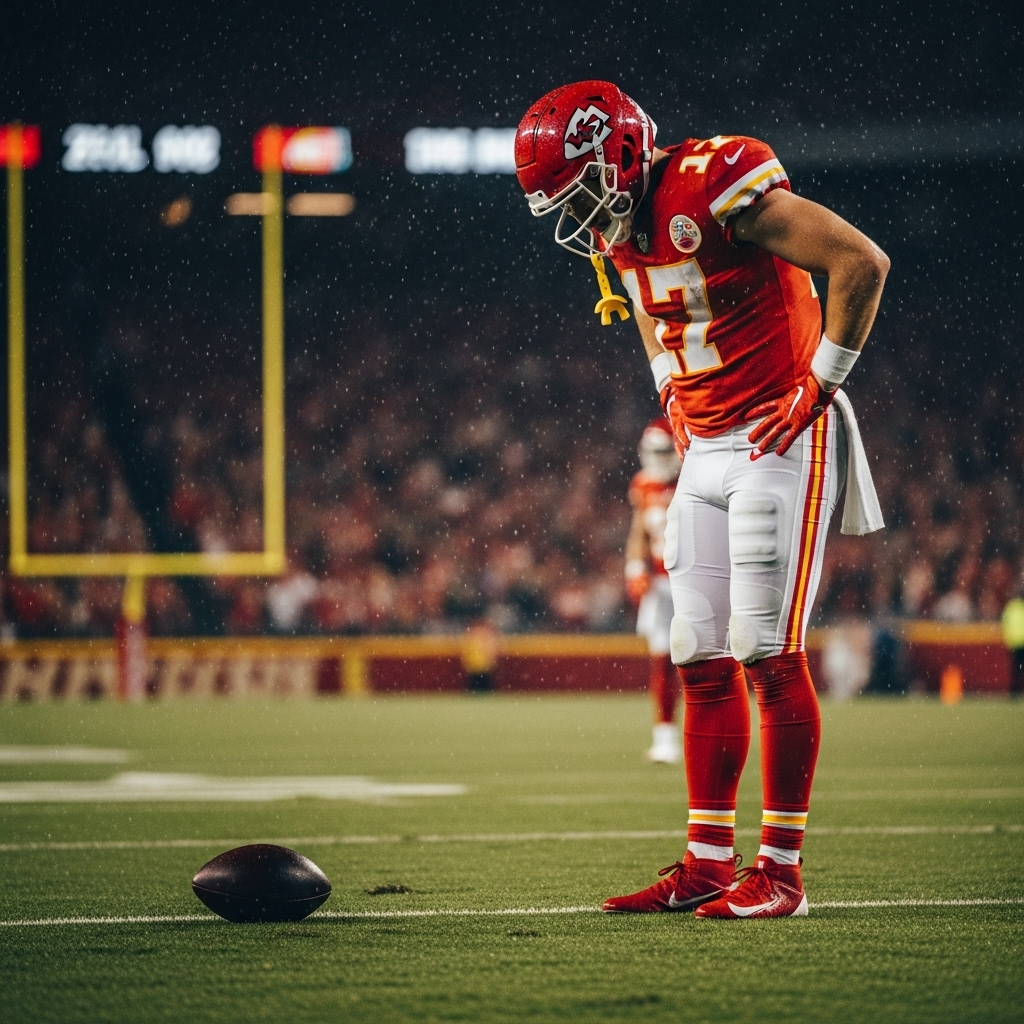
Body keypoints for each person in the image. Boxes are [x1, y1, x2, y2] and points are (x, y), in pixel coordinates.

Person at [515, 81, 887, 918]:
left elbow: (860, 262)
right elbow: (654, 314)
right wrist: (670, 394)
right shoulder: (623, 231)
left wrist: (821, 387)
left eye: (577, 191)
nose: (577, 216)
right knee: (696, 650)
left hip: (776, 432)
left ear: (617, 154)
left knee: (766, 647)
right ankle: (707, 859)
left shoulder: (714, 179)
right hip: (708, 442)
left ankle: (781, 873)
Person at [625, 417, 683, 763]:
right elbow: (639, 532)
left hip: (693, 580)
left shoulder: (692, 478)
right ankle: (665, 737)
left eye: (663, 450)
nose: (657, 458)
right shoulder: (643, 485)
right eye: (652, 451)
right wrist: (635, 568)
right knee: (661, 660)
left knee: (704, 661)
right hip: (662, 584)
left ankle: (712, 733)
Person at [1001, 587, 1024, 697]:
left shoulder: (1012, 606)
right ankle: (1015, 691)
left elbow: (1006, 623)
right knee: (1016, 670)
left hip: (1015, 642)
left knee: (1016, 670)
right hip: (1017, 643)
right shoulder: (1012, 607)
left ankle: (1014, 692)